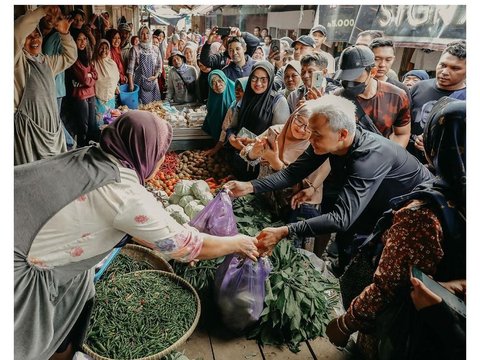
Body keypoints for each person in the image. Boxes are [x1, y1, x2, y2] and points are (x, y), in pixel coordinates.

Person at [14, 110, 259, 360]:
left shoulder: (92, 154)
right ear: (146, 152)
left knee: (77, 291)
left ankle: (63, 349)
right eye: (161, 153)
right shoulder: (125, 192)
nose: (162, 159)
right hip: (19, 265)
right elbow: (187, 246)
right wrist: (237, 242)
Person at [325, 98, 466, 360]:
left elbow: (388, 287)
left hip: (412, 334)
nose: (422, 136)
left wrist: (345, 324)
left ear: (440, 144)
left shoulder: (422, 215)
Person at [225, 95, 432, 260]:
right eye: (311, 131)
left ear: (342, 134)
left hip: (412, 212)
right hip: (370, 206)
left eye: (317, 134)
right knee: (348, 249)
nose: (310, 138)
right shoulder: (329, 142)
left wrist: (284, 231)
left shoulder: (369, 157)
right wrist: (249, 186)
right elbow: (292, 173)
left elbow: (341, 218)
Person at [239, 104, 331, 250]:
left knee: (289, 250)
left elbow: (303, 184)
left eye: (308, 127)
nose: (301, 129)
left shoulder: (315, 146)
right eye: (299, 121)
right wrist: (254, 153)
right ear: (293, 116)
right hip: (266, 198)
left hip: (295, 206)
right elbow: (246, 152)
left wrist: (275, 162)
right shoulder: (276, 131)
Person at [14, 6, 76, 165]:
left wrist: (64, 34)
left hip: (52, 133)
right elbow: (16, 33)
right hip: (29, 136)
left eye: (37, 34)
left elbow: (70, 57)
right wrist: (43, 10)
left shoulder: (46, 62)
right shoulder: (17, 63)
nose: (34, 39)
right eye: (28, 36)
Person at [334, 45, 411, 148]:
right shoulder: (337, 97)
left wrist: (391, 157)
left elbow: (402, 133)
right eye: (345, 77)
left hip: (378, 157)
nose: (349, 82)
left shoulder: (397, 96)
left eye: (355, 77)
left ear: (373, 72)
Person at [228, 61, 290, 180]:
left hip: (261, 164)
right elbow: (232, 127)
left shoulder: (277, 102)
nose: (258, 83)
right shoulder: (245, 98)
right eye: (254, 78)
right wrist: (231, 139)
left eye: (263, 79)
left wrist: (252, 144)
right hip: (240, 158)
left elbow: (279, 136)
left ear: (270, 79)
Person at [408, 40, 466, 163]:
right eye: (442, 65)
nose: (444, 72)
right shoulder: (418, 87)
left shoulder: (466, 100)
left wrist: (433, 147)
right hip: (408, 161)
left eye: (455, 68)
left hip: (445, 169)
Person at [39, 6, 76, 150]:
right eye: (47, 15)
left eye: (54, 16)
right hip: (42, 88)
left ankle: (68, 144)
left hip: (56, 87)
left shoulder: (57, 36)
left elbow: (69, 56)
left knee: (54, 120)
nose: (50, 19)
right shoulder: (37, 34)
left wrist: (65, 33)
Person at [68, 27, 99, 147]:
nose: (82, 42)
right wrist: (90, 75)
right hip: (81, 96)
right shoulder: (74, 58)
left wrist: (90, 75)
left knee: (92, 125)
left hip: (90, 94)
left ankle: (91, 151)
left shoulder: (87, 56)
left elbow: (95, 75)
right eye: (79, 39)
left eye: (84, 39)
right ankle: (82, 150)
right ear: (74, 41)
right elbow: (85, 79)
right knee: (83, 127)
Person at [127, 25, 163, 105]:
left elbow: (159, 66)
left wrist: (156, 75)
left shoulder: (155, 49)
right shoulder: (135, 49)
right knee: (142, 109)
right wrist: (131, 84)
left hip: (153, 83)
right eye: (142, 34)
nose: (145, 36)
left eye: (147, 33)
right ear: (139, 35)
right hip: (140, 83)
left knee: (155, 108)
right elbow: (130, 69)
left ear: (150, 35)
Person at [203, 70, 236, 153]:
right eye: (213, 83)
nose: (217, 85)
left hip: (233, 137)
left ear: (224, 79)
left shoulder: (235, 90)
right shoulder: (212, 97)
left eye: (219, 81)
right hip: (219, 137)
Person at [92, 39, 120, 127]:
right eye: (101, 47)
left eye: (106, 48)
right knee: (98, 124)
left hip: (111, 99)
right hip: (97, 99)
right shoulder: (93, 63)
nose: (104, 50)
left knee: (110, 122)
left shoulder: (112, 63)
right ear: (97, 48)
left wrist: (116, 87)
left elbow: (116, 77)